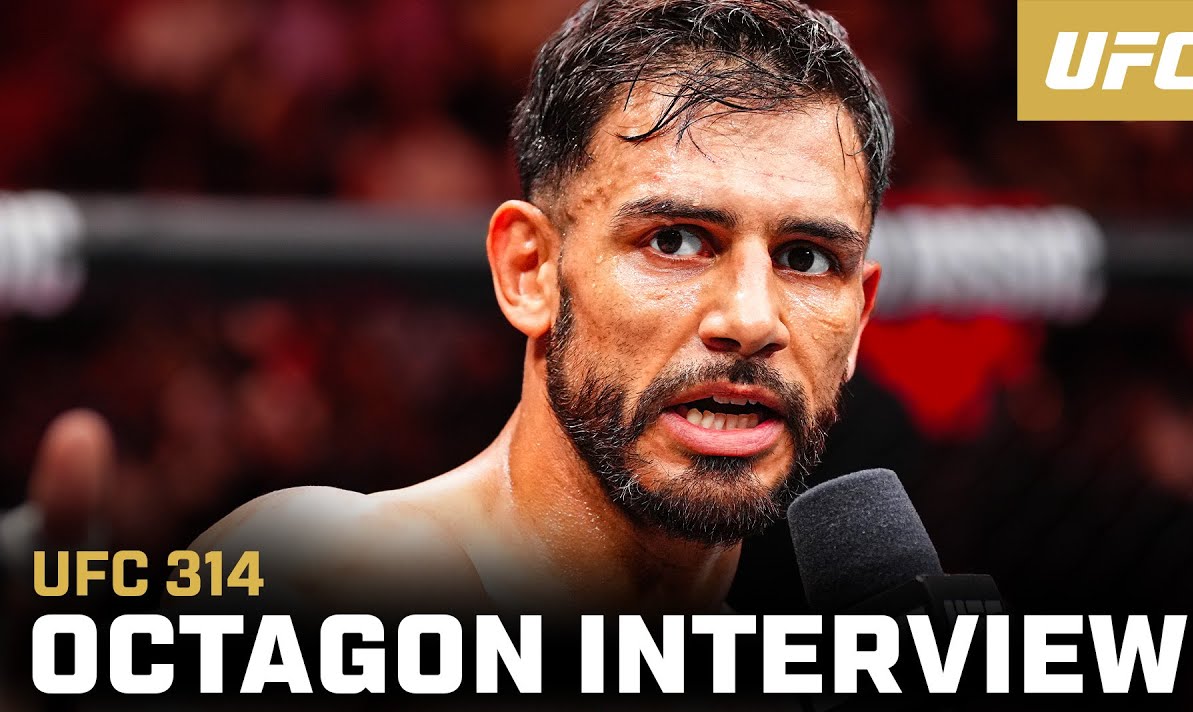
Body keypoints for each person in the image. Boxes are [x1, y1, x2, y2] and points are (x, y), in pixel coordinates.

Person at [20, 0, 891, 616]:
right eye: (676, 239)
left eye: (806, 258)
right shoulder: (330, 587)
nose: (751, 318)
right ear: (530, 271)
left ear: (858, 316)